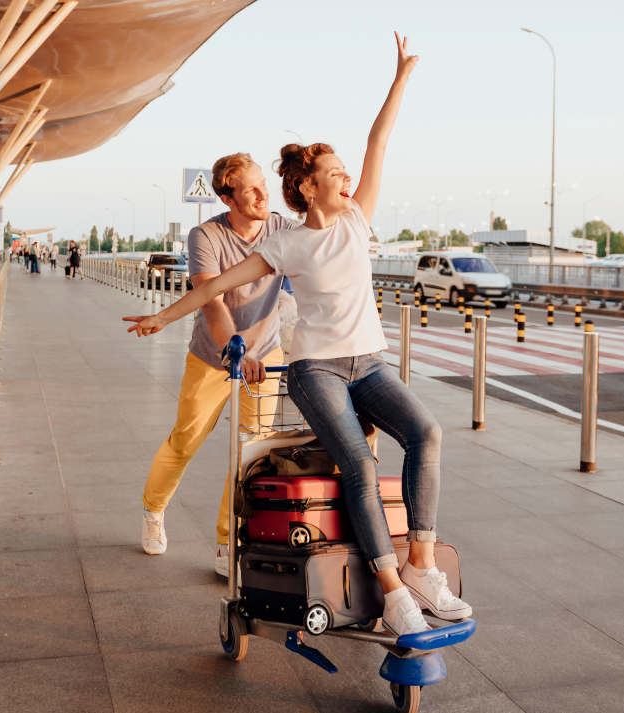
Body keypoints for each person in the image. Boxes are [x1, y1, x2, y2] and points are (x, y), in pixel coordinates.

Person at [125, 34, 470, 636]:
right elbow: (214, 290)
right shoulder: (280, 242)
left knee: (427, 432)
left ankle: (420, 566)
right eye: (334, 175)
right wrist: (162, 317)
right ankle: (392, 593)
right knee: (353, 465)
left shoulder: (357, 217)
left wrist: (400, 79)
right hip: (309, 367)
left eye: (344, 173)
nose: (346, 179)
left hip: (366, 361)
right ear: (309, 187)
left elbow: (378, 140)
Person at [122, 153, 300, 572]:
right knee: (187, 439)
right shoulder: (206, 236)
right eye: (251, 190)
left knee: (250, 450)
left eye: (263, 185)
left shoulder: (282, 230)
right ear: (227, 197)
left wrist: (255, 351)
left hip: (264, 353)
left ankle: (228, 542)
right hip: (215, 356)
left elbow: (297, 284)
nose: (263, 195)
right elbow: (212, 302)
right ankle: (153, 509)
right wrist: (235, 352)